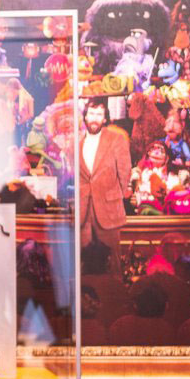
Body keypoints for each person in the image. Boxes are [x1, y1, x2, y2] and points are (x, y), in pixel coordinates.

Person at [78, 99, 133, 262]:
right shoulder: (76, 141)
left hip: (109, 208)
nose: (95, 118)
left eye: (99, 114)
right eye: (92, 114)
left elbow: (125, 170)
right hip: (83, 210)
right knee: (84, 262)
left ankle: (114, 288)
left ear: (104, 119)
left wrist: (119, 195)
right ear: (85, 117)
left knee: (112, 260)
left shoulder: (117, 139)